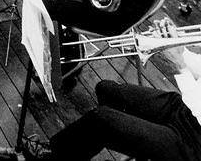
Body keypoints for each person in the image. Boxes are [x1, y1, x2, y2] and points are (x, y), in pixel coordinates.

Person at [22, 19, 201, 160]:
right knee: (107, 90)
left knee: (102, 120)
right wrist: (177, 46)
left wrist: (180, 65)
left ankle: (53, 155)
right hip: (186, 109)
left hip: (194, 145)